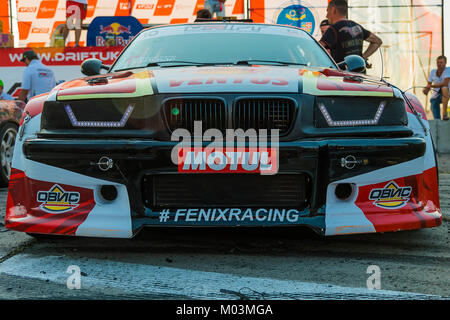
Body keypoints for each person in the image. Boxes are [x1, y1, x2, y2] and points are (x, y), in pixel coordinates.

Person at [319, 0, 382, 66]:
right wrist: (363, 58)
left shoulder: (333, 29)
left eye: (327, 11)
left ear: (333, 10)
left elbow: (317, 49)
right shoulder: (357, 26)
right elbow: (377, 41)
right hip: (359, 73)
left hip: (343, 74)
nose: (326, 16)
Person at [423, 55, 450, 120]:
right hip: (436, 95)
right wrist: (426, 90)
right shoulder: (433, 72)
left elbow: (445, 83)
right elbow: (428, 84)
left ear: (445, 63)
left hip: (447, 93)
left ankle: (444, 114)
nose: (439, 64)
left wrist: (432, 86)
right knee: (433, 103)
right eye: (438, 62)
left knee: (444, 88)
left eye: (441, 62)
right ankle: (437, 120)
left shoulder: (448, 70)